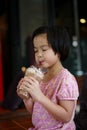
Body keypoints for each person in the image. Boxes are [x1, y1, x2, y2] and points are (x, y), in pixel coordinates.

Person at [17, 25, 79, 130]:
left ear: (59, 50)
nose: (39, 55)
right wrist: (26, 99)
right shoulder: (40, 77)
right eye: (36, 50)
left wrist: (40, 97)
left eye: (44, 49)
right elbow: (35, 111)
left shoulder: (66, 79)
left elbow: (66, 117)